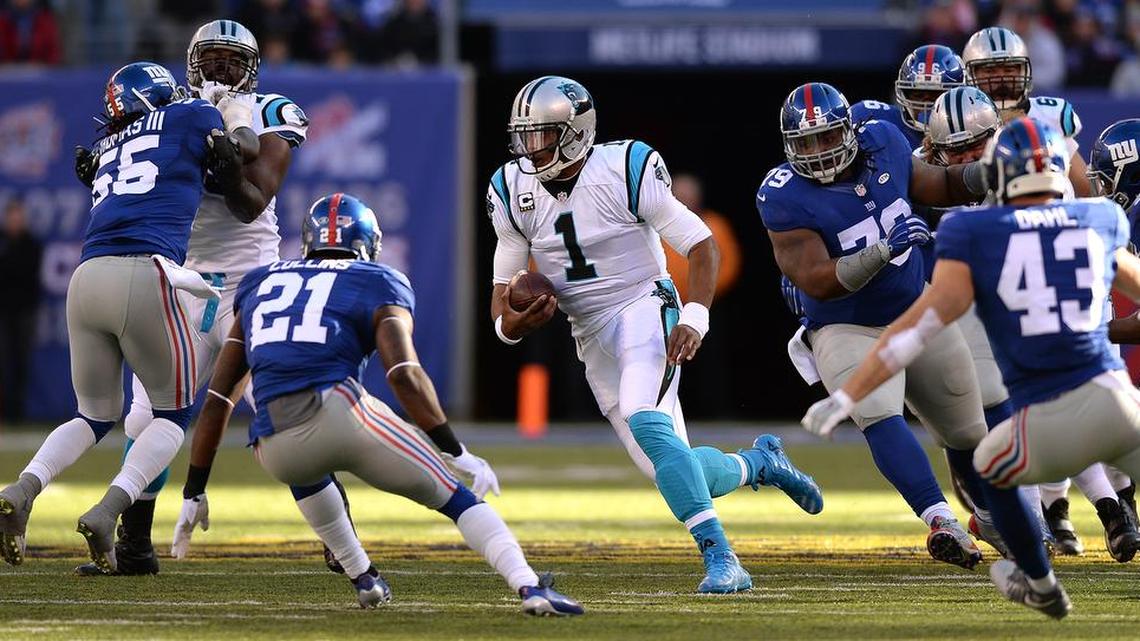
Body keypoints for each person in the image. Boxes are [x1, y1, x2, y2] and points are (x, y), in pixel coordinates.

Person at [170, 193, 583, 615]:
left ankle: (364, 578)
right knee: (456, 499)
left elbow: (220, 398)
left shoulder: (260, 283)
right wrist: (454, 448)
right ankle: (530, 587)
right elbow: (403, 373)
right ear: (368, 242)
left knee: (306, 470)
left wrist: (194, 490)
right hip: (337, 413)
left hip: (272, 444)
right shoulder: (377, 280)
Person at [488, 76, 823, 594]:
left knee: (645, 417)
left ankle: (723, 559)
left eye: (542, 135)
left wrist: (695, 316)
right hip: (590, 331)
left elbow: (702, 244)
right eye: (524, 136)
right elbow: (500, 306)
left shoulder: (623, 168)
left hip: (645, 303)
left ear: (576, 133)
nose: (530, 148)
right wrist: (516, 324)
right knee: (669, 468)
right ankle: (762, 462)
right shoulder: (512, 189)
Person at [802, 117, 1140, 619]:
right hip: (1115, 402)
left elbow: (915, 330)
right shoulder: (1097, 218)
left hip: (1046, 415)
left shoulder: (974, 230)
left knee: (992, 467)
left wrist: (850, 394)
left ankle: (1041, 583)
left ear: (998, 173)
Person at [72, 19, 318, 578]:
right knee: (145, 417)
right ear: (191, 61)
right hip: (181, 280)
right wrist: (98, 170)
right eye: (212, 58)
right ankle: (135, 545)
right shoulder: (171, 110)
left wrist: (229, 167)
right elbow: (129, 178)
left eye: (234, 60)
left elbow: (251, 203)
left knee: (283, 409)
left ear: (252, 68)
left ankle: (340, 535)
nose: (222, 69)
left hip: (250, 281)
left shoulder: (271, 110)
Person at [0, 61, 248, 571]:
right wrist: (228, 124)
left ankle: (23, 488)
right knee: (172, 414)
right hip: (145, 272)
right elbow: (236, 159)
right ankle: (110, 508)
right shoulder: (191, 114)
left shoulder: (107, 148)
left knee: (92, 415)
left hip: (86, 277)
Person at [760, 81, 1007, 569]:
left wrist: (990, 172)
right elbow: (818, 280)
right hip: (845, 327)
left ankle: (991, 516)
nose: (817, 152)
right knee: (880, 415)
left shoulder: (885, 142)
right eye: (805, 144)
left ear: (849, 131)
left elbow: (940, 185)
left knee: (969, 431)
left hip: (918, 312)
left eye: (826, 137)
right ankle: (942, 521)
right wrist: (881, 250)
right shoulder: (783, 195)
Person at [850, 44, 965, 149]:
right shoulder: (877, 118)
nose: (927, 105)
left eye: (936, 96)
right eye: (919, 95)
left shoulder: (977, 124)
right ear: (904, 93)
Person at [0, 198, 43, 422]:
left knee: (21, 361)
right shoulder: (3, 240)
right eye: (12, 215)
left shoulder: (31, 243)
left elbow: (27, 273)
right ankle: (5, 411)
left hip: (24, 310)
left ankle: (17, 412)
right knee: (4, 360)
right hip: (3, 309)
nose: (16, 220)